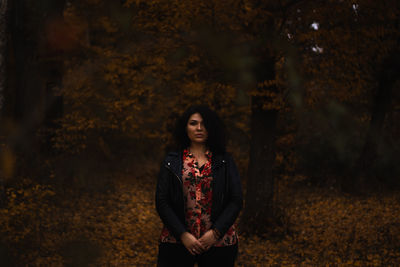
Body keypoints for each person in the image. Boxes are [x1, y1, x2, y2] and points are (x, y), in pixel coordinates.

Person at [156, 105, 243, 267]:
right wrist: (182, 234)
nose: (199, 128)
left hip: (219, 242)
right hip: (177, 241)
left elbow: (236, 200)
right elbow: (162, 201)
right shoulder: (172, 161)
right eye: (193, 123)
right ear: (185, 128)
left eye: (204, 124)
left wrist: (216, 232)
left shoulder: (225, 160)